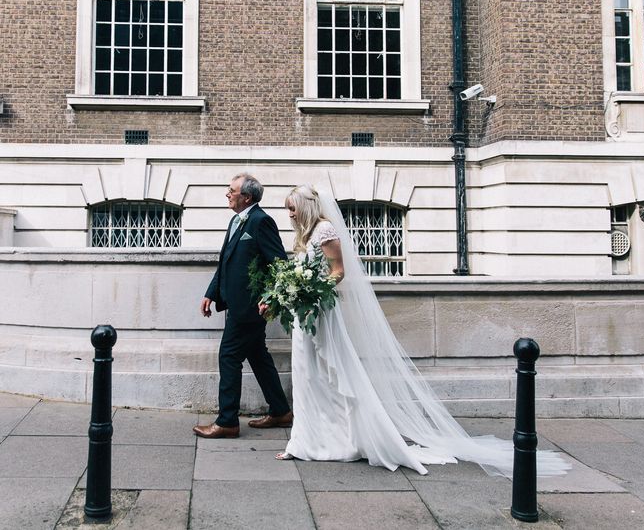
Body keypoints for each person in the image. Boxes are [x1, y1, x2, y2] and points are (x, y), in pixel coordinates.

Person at [265, 185, 569, 478]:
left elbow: (339, 271)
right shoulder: (306, 236)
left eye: (291, 209)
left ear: (304, 207)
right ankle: (308, 440)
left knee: (328, 376)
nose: (289, 214)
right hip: (307, 316)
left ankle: (329, 440)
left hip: (321, 313)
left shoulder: (325, 231)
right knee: (308, 377)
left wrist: (312, 291)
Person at [193, 173, 292, 439]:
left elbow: (279, 264)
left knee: (228, 356)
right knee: (258, 357)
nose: (227, 194)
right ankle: (281, 411)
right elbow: (225, 261)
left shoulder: (261, 221)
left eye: (231, 190)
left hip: (249, 308)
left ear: (246, 197)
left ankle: (227, 421)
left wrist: (269, 298)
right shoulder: (235, 221)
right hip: (234, 304)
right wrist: (211, 292)